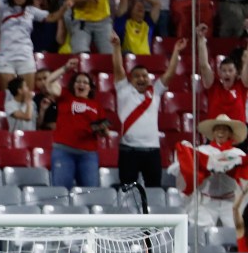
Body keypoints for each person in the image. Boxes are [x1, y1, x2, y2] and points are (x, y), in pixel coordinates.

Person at [112, 34, 185, 188]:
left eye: (144, 76)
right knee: (128, 192)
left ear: (149, 79)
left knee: (154, 191)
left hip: (152, 151)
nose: (141, 79)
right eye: (136, 76)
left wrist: (176, 51)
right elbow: (118, 68)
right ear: (130, 80)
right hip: (128, 151)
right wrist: (117, 46)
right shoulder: (123, 90)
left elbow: (170, 74)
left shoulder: (155, 91)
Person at [175, 115, 246, 228]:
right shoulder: (201, 151)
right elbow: (188, 168)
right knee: (202, 232)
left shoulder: (238, 154)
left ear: (230, 133)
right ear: (213, 133)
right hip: (206, 202)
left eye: (225, 129)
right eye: (218, 128)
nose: (221, 132)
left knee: (236, 234)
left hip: (230, 202)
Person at [0, 0, 70, 91]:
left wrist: (64, 7)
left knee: (28, 97)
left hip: (26, 57)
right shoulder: (2, 7)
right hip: (6, 58)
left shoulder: (31, 10)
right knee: (9, 98)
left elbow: (52, 17)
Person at [51, 62, 107, 189]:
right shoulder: (65, 96)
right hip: (63, 151)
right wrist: (65, 68)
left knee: (90, 193)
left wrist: (103, 130)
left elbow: (104, 131)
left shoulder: (97, 106)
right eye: (78, 81)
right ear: (73, 85)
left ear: (90, 88)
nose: (81, 84)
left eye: (85, 82)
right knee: (61, 192)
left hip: (88, 154)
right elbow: (48, 82)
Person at [198, 23, 248, 123]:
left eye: (230, 70)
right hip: (215, 136)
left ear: (236, 73)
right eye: (224, 71)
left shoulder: (241, 86)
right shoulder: (213, 87)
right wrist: (201, 39)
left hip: (237, 137)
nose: (227, 73)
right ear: (219, 73)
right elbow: (204, 65)